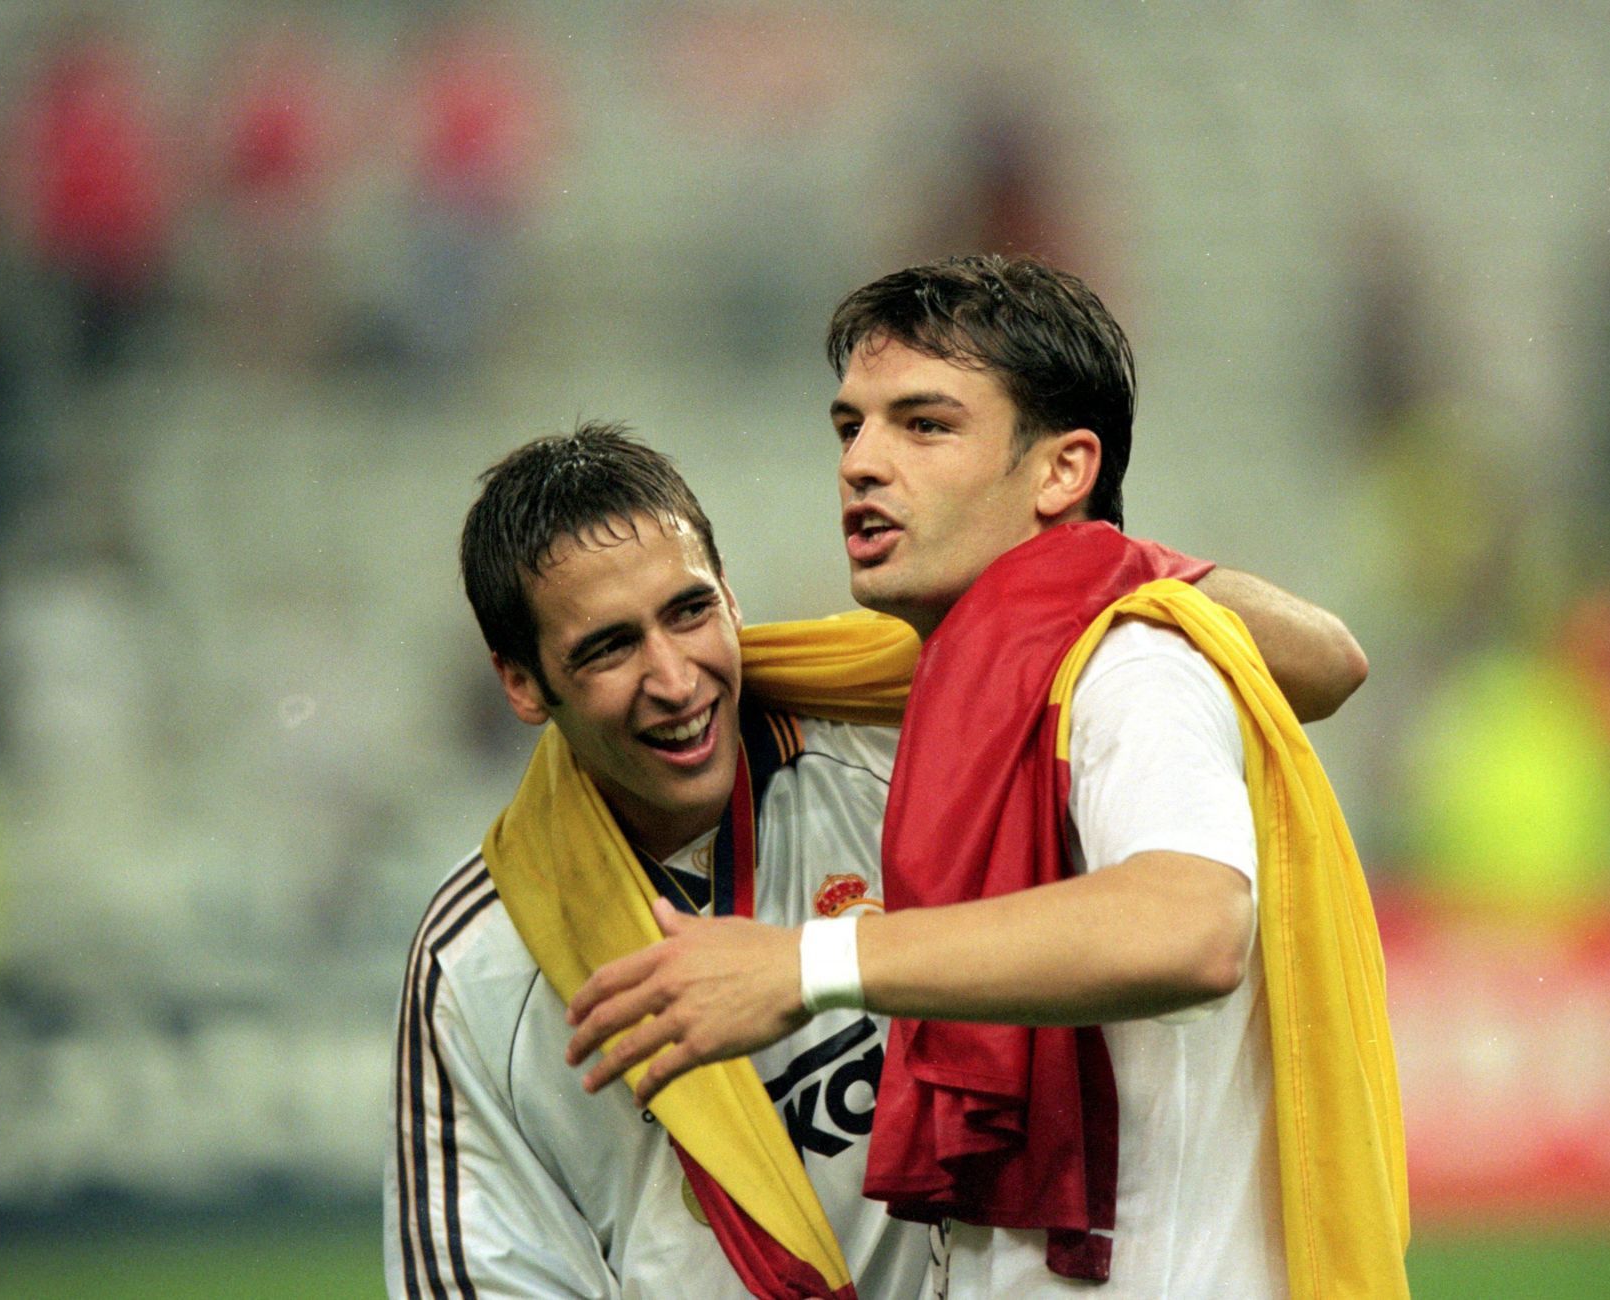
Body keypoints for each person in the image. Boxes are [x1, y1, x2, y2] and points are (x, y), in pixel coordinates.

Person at [566, 257, 1408, 1299]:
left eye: (924, 426)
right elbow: (1329, 659)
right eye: (850, 427)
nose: (862, 463)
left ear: (1062, 471)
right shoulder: (967, 679)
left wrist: (808, 965)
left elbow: (1192, 928)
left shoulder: (1127, 667)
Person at [391, 418, 1371, 1298]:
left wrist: (1085, 569)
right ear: (522, 684)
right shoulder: (480, 963)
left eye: (689, 612)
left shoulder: (906, 737)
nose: (672, 676)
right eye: (608, 648)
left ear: (731, 596)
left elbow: (1320, 664)